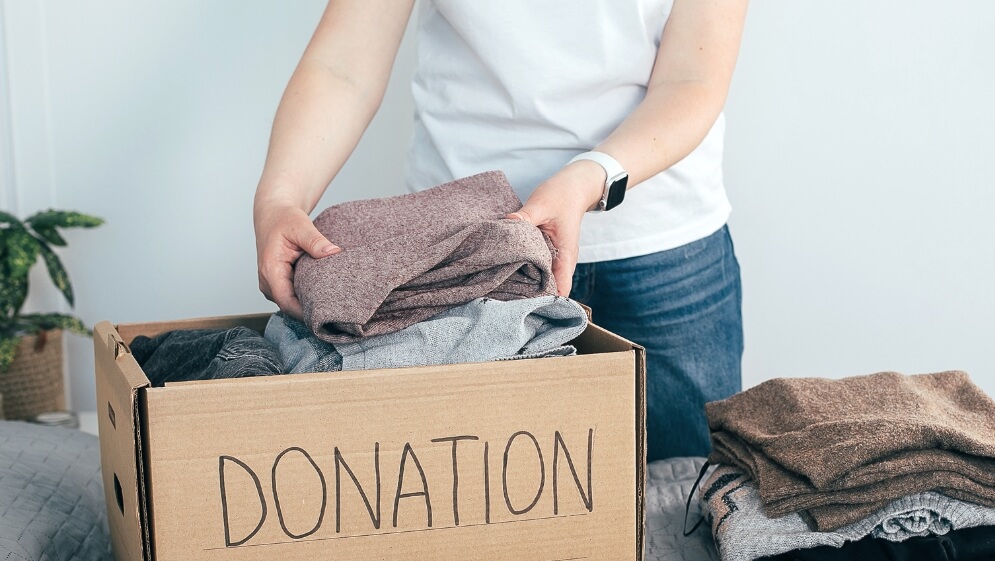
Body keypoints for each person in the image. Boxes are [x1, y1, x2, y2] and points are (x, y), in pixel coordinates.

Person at [253, 0, 748, 461]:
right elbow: (344, 65)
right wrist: (280, 197)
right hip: (461, 258)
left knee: (686, 509)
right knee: (470, 511)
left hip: (665, 255)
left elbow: (691, 79)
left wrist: (590, 176)